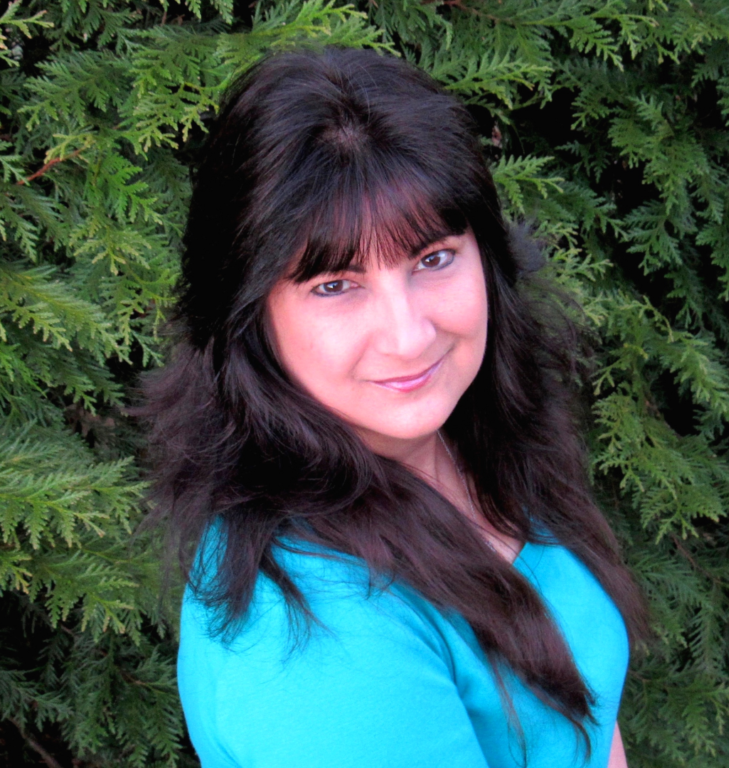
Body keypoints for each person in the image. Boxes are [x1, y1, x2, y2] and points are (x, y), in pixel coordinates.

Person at [141, 46, 647, 768]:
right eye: (335, 285)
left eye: (432, 259)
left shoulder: (472, 443)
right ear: (251, 315)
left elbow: (589, 728)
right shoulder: (322, 640)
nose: (410, 336)